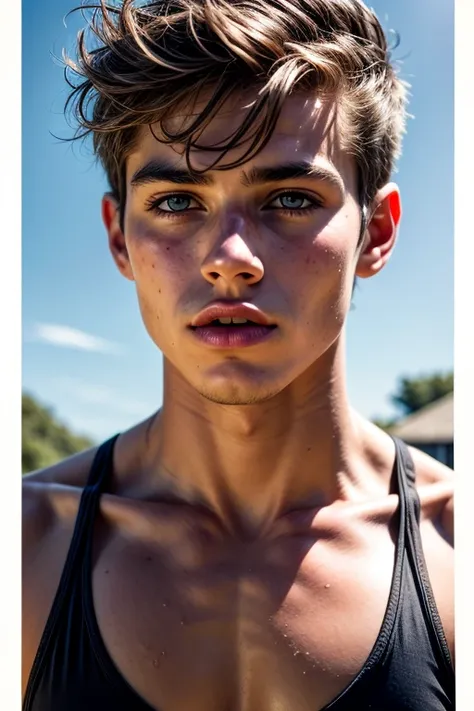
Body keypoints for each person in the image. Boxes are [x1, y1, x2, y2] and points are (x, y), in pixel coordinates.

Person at [22, 1, 454, 709]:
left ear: (376, 231)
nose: (230, 259)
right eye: (175, 202)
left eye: (288, 198)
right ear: (118, 236)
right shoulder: (24, 547)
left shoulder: (453, 552)